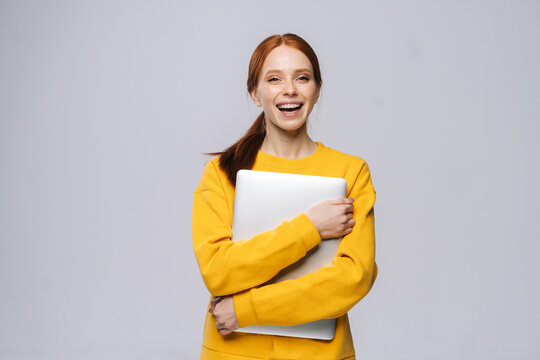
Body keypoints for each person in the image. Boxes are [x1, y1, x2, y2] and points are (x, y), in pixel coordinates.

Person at [192, 33, 377, 360]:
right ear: (255, 91)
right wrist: (310, 228)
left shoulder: (350, 172)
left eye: (302, 78)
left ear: (317, 89)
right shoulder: (221, 172)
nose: (289, 89)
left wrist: (247, 308)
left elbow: (352, 279)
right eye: (274, 79)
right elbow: (219, 271)